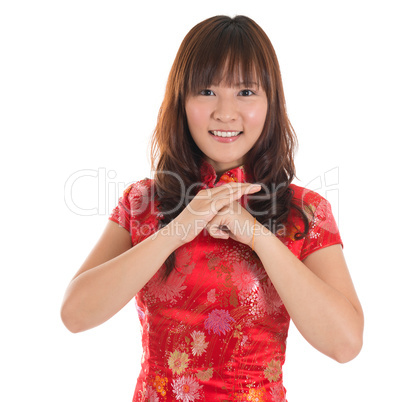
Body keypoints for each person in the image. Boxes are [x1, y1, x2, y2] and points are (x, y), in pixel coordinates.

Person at [61, 15, 364, 402]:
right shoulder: (142, 203)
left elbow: (345, 345)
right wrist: (177, 230)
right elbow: (75, 315)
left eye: (246, 92)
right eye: (206, 91)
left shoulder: (303, 211)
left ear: (272, 101)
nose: (225, 112)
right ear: (181, 102)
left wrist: (257, 235)